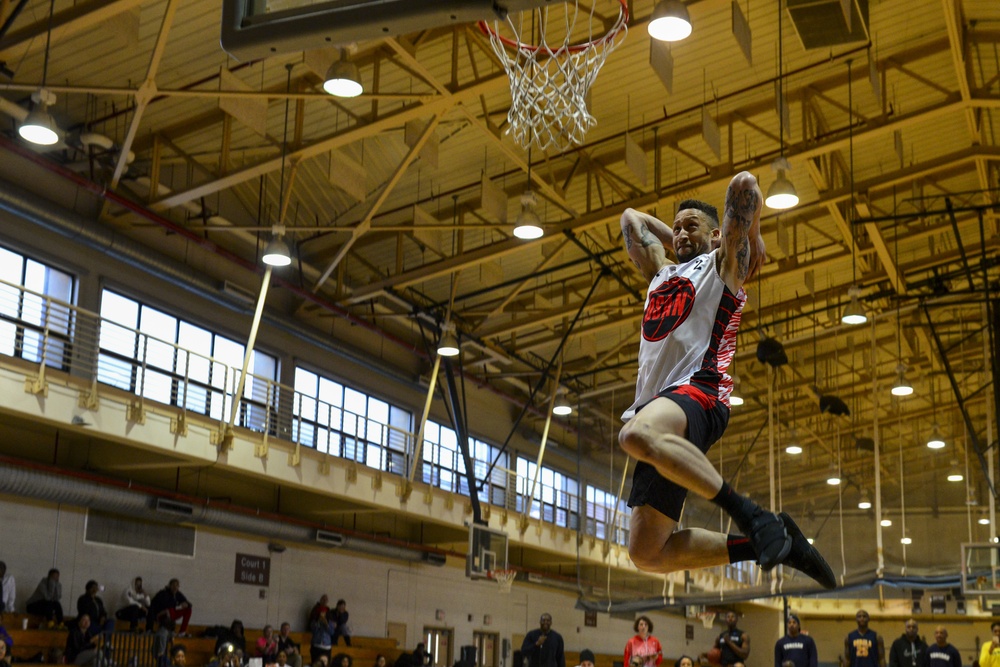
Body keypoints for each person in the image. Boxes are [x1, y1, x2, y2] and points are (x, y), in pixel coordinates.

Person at [616, 177, 836, 587]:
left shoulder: (722, 266)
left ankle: (750, 514)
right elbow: (631, 219)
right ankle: (773, 540)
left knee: (634, 435)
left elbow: (745, 186)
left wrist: (744, 234)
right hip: (659, 407)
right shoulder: (662, 274)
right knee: (646, 552)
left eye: (691, 226)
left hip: (699, 390)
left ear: (717, 234)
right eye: (676, 227)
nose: (680, 233)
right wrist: (680, 235)